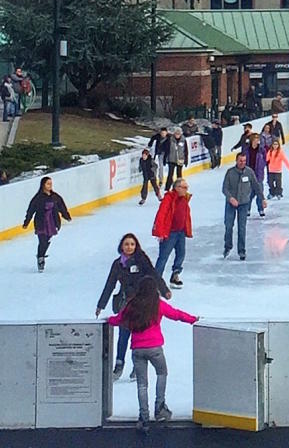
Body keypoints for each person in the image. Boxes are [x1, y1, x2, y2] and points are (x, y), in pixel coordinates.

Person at [106, 278, 197, 426]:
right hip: (155, 348)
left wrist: (107, 320)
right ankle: (160, 407)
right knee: (162, 373)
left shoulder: (132, 305)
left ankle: (144, 416)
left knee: (142, 384)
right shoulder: (157, 304)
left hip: (137, 349)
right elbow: (176, 314)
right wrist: (193, 319)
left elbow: (118, 319)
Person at [97, 233, 162, 377]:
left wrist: (164, 290)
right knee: (123, 335)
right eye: (126, 244)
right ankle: (119, 364)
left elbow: (153, 274)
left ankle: (136, 366)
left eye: (132, 244)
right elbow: (110, 284)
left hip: (141, 304)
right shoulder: (117, 264)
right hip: (125, 304)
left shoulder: (141, 260)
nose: (129, 247)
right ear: (121, 246)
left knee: (138, 335)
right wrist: (101, 305)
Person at [22, 175, 72, 270]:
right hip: (41, 222)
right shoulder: (38, 198)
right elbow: (31, 210)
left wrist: (66, 216)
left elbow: (61, 207)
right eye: (48, 184)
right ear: (43, 185)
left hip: (53, 222)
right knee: (42, 241)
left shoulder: (55, 196)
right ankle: (41, 258)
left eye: (51, 184)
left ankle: (41, 254)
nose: (50, 185)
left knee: (47, 240)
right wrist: (26, 222)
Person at [222, 152, 264, 261]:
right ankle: (228, 246)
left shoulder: (249, 172)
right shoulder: (230, 173)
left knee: (242, 227)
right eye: (240, 161)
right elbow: (224, 189)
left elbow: (256, 186)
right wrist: (230, 198)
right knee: (228, 225)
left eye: (244, 161)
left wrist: (262, 198)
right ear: (236, 161)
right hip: (231, 203)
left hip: (244, 204)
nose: (242, 163)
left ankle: (242, 251)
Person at [153, 179, 193, 287]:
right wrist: (160, 232)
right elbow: (161, 214)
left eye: (187, 187)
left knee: (181, 254)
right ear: (177, 188)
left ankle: (175, 275)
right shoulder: (168, 199)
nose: (186, 190)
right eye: (184, 187)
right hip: (169, 233)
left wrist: (187, 229)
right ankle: (156, 282)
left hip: (180, 233)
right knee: (163, 257)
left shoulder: (184, 199)